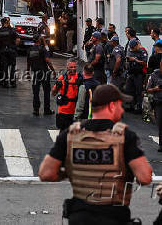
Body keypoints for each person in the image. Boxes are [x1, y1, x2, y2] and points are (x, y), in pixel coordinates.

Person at [39, 84, 153, 225]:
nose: (122, 109)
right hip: (113, 217)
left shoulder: (71, 134)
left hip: (79, 217)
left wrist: (72, 170)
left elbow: (46, 173)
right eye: (120, 105)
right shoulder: (125, 137)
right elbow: (145, 177)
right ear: (112, 106)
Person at [27, 34, 56, 116]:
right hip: (44, 72)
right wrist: (53, 70)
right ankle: (47, 110)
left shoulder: (30, 50)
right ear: (39, 40)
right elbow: (48, 61)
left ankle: (36, 110)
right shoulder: (43, 49)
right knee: (46, 91)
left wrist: (28, 72)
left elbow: (28, 62)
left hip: (36, 73)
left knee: (35, 92)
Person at [52, 59, 81, 131]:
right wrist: (58, 86)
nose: (73, 69)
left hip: (75, 111)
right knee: (63, 133)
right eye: (71, 67)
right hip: (64, 111)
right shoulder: (62, 78)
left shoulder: (80, 77)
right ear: (67, 68)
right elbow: (53, 93)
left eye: (74, 67)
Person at [125, 38, 148, 114]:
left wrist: (135, 60)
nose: (132, 49)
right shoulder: (129, 50)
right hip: (130, 73)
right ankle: (131, 106)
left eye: (133, 48)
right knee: (129, 90)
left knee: (138, 91)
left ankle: (138, 108)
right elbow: (127, 59)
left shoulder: (142, 51)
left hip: (138, 74)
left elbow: (144, 63)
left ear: (137, 45)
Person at [0, 17, 21, 88]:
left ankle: (5, 82)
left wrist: (1, 46)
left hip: (3, 51)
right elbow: (18, 40)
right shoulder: (12, 30)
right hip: (11, 51)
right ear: (7, 23)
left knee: (4, 67)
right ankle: (13, 83)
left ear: (2, 23)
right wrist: (14, 46)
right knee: (12, 67)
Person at [147, 60, 162, 152]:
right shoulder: (154, 75)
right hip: (159, 102)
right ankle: (161, 144)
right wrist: (155, 89)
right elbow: (148, 89)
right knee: (160, 124)